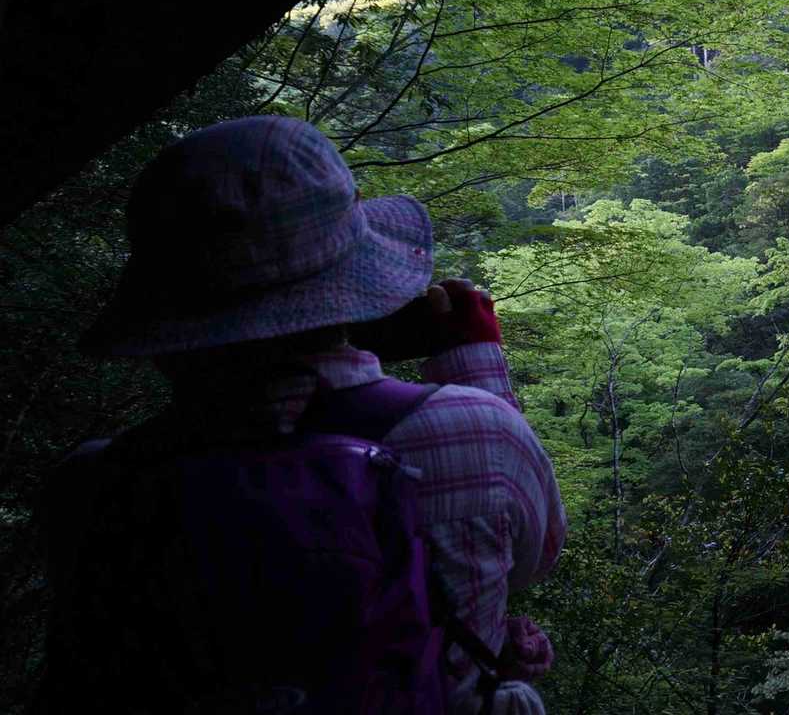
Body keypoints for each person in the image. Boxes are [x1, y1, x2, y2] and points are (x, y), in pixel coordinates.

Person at [36, 115, 567, 714]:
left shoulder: (91, 488)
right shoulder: (478, 431)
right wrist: (472, 360)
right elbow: (534, 560)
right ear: (356, 290)